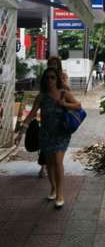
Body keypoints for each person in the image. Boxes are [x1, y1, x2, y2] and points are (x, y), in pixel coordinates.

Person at [15, 67, 82, 209]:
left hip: (61, 133)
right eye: (47, 77)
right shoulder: (42, 96)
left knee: (58, 162)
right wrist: (21, 132)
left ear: (57, 79)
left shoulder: (64, 93)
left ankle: (60, 194)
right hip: (45, 133)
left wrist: (64, 104)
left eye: (52, 77)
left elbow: (78, 105)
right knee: (50, 164)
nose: (50, 80)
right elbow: (32, 113)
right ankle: (53, 188)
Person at [37, 56, 71, 178]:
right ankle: (44, 166)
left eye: (55, 64)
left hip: (60, 117)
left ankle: (55, 171)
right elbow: (41, 94)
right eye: (51, 63)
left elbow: (69, 91)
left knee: (57, 156)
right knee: (46, 148)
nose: (53, 66)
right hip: (46, 117)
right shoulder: (46, 76)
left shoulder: (62, 76)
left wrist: (60, 85)